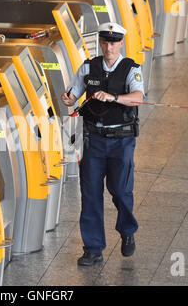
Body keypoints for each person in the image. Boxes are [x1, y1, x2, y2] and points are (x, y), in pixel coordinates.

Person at [61, 22, 144, 266]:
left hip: (122, 140)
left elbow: (139, 97)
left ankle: (127, 230)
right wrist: (68, 98)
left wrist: (115, 97)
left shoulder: (131, 69)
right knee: (90, 194)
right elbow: (72, 95)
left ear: (121, 43)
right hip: (93, 140)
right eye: (105, 43)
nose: (109, 48)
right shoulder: (88, 67)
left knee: (120, 190)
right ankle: (93, 248)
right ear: (100, 43)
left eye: (114, 43)